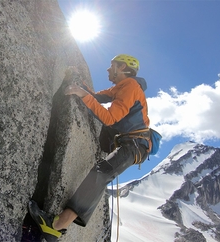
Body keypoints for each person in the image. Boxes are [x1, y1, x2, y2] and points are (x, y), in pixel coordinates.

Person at [28, 54, 151, 242]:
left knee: (101, 173)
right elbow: (97, 97)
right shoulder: (121, 87)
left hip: (135, 145)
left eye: (113, 66)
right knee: (101, 172)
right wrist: (78, 81)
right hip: (132, 144)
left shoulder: (130, 87)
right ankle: (56, 227)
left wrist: (83, 94)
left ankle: (56, 226)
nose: (109, 69)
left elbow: (109, 118)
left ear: (123, 68)